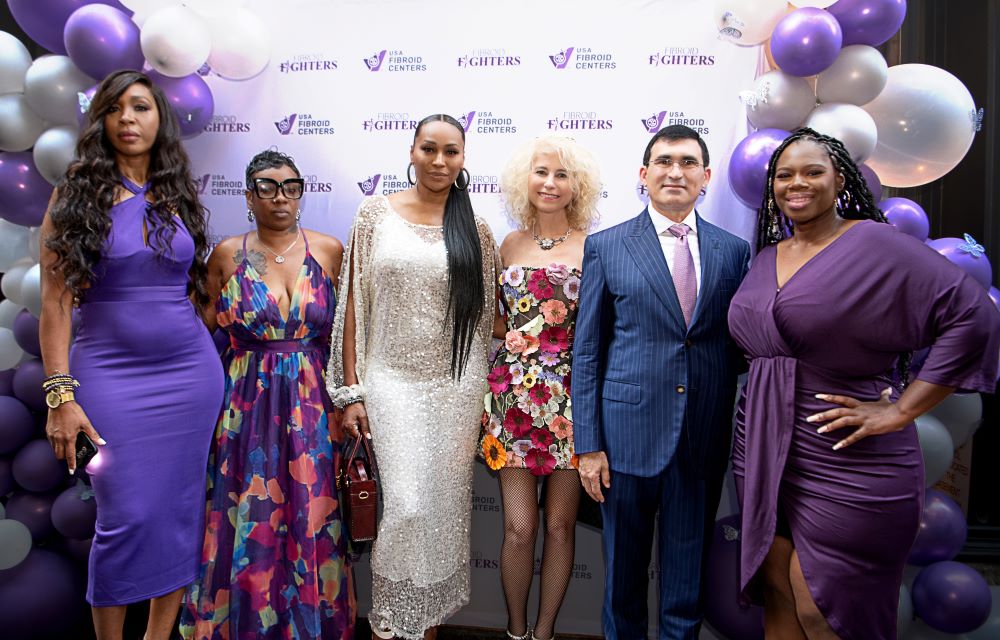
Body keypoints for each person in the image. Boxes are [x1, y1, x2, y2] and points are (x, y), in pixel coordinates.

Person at [728, 127, 999, 640]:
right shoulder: (766, 258)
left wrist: (899, 411)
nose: (797, 184)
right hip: (764, 449)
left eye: (813, 171)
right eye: (784, 175)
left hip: (848, 453)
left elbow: (973, 315)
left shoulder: (874, 243)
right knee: (779, 595)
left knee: (825, 608)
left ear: (841, 181)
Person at [38, 70, 224, 640]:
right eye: (115, 108)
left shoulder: (177, 191)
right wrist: (60, 395)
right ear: (101, 121)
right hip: (109, 377)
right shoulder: (76, 193)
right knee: (123, 519)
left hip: (190, 377)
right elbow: (54, 304)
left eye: (140, 107)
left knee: (177, 513)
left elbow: (192, 288)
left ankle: (159, 636)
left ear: (158, 118)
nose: (128, 119)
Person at [573, 125, 750, 639]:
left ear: (706, 176)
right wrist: (589, 444)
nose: (676, 171)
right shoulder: (607, 246)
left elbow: (735, 344)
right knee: (622, 585)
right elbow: (587, 351)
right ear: (644, 174)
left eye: (689, 162)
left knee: (685, 586)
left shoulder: (733, 250)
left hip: (701, 439)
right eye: (665, 161)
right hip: (623, 441)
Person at [326, 114, 500, 640]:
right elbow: (353, 304)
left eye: (451, 151)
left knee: (440, 514)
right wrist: (350, 389)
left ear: (464, 158)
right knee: (405, 506)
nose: (440, 161)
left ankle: (424, 628)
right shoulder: (374, 214)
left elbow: (488, 316)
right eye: (430, 149)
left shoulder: (476, 227)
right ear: (412, 150)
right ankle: (391, 625)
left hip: (455, 389)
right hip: (390, 384)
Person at [179, 150, 354, 639]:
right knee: (245, 511)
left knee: (311, 510)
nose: (280, 196)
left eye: (291, 186)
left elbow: (346, 337)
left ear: (302, 192)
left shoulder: (329, 250)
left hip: (314, 404)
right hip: (244, 404)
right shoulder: (226, 255)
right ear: (248, 195)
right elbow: (199, 329)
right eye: (267, 186)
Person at [480, 135, 601, 640]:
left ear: (578, 186)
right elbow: (491, 322)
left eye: (561, 174)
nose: (550, 183)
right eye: (541, 172)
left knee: (558, 527)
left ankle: (545, 632)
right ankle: (514, 629)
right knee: (519, 528)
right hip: (512, 400)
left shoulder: (594, 246)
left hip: (572, 401)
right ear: (523, 181)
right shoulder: (506, 244)